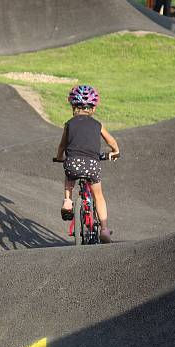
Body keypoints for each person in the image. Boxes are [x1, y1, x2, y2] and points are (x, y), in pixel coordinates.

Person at [54, 85, 120, 244]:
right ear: (94, 107)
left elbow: (62, 146)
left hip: (72, 163)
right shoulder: (98, 125)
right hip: (92, 165)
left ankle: (68, 201)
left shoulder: (69, 124)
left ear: (72, 105)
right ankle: (104, 229)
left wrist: (58, 157)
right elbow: (111, 141)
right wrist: (115, 151)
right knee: (98, 196)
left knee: (69, 177)